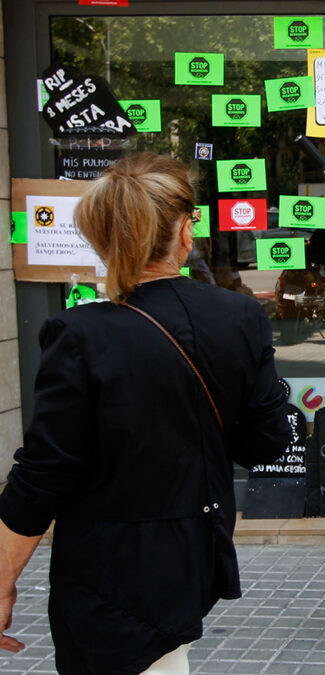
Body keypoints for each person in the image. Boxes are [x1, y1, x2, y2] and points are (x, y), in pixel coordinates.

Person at [0, 153, 289, 673]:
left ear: (101, 237)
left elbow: (44, 474)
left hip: (106, 572)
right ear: (183, 230)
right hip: (194, 553)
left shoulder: (79, 333)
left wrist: (2, 581)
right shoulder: (239, 315)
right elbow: (267, 442)